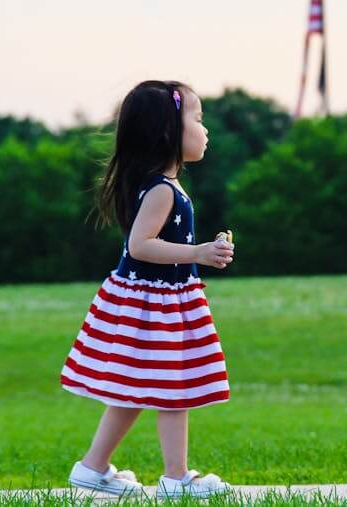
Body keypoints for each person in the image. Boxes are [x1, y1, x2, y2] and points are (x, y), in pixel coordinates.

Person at [60, 81, 234, 498]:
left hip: (156, 301)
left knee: (137, 387)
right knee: (173, 386)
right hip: (153, 305)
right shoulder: (160, 190)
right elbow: (141, 245)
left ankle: (92, 467)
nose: (205, 130)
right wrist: (200, 251)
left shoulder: (164, 186)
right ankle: (177, 479)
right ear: (169, 132)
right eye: (197, 119)